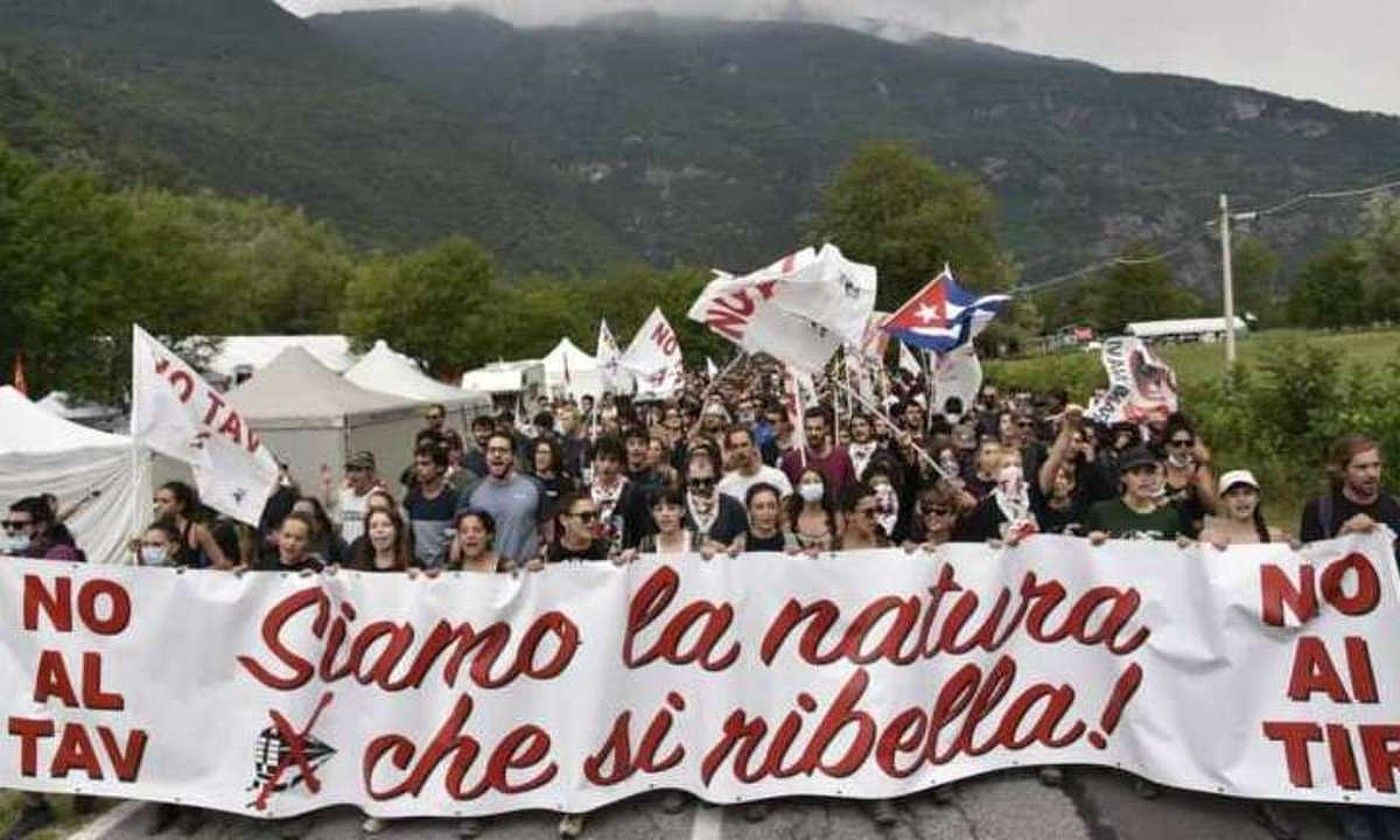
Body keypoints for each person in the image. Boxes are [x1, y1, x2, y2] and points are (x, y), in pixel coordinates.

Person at [456, 432, 546, 568]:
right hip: (485, 577)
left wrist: (540, 558)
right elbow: (458, 539)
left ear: (513, 456)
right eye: (492, 450)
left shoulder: (534, 487)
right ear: (486, 456)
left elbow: (549, 534)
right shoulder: (471, 492)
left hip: (526, 575)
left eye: (503, 450)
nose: (497, 455)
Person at [1299, 435, 1400, 545]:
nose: (1372, 474)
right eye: (1362, 467)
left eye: (1376, 465)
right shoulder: (1320, 511)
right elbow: (1310, 558)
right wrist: (1344, 535)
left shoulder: (1395, 507)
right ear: (1343, 471)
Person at [1085, 447, 1185, 543]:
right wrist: (1090, 541)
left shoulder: (1169, 517)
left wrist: (1185, 546)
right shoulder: (1102, 512)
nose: (1144, 479)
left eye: (1149, 472)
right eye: (1136, 473)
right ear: (1123, 477)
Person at [781, 409, 857, 501]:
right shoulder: (791, 460)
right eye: (809, 429)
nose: (813, 433)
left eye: (818, 429)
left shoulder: (842, 457)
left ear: (827, 429)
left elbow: (851, 491)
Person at [1159, 415, 1217, 537]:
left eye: (1188, 443)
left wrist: (1198, 485)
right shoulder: (1158, 469)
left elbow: (1212, 509)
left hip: (1192, 537)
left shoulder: (1199, 470)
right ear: (1167, 446)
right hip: (1163, 535)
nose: (1183, 448)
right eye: (1177, 444)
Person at [404, 444, 459, 569]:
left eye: (425, 464)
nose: (419, 468)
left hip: (446, 571)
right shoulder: (411, 499)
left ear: (440, 467)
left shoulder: (453, 499)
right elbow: (406, 538)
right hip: (418, 570)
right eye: (417, 464)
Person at [1200, 470, 1289, 547]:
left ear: (1257, 498)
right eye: (1233, 494)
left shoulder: (1275, 537)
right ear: (1224, 501)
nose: (1241, 499)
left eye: (1247, 493)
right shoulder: (1211, 536)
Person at [153, 481, 229, 569]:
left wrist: (195, 574)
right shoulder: (153, 529)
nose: (158, 505)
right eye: (156, 501)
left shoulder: (196, 530)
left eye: (165, 501)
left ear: (181, 505)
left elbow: (221, 563)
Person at [682, 450, 747, 549]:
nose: (701, 487)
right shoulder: (679, 506)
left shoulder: (732, 505)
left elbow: (741, 542)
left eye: (707, 482)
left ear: (715, 477)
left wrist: (726, 549)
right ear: (687, 478)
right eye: (695, 482)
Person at [718, 425, 793, 502]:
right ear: (730, 451)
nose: (740, 451)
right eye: (735, 447)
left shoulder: (777, 477)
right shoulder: (725, 486)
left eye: (744, 445)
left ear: (754, 446)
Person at [4, 497, 83, 561]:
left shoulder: (60, 555)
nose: (9, 531)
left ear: (41, 527)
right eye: (6, 525)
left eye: (18, 525)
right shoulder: (18, 554)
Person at [530, 436, 577, 538]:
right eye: (538, 452)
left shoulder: (565, 483)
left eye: (545, 453)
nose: (540, 457)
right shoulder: (527, 482)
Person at [547, 493, 612, 565]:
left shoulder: (607, 550)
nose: (592, 521)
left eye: (595, 515)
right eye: (585, 516)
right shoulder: (548, 553)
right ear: (564, 520)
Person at [788, 466, 842, 551]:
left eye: (816, 481)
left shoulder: (836, 518)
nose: (812, 485)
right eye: (806, 482)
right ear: (798, 488)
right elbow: (789, 546)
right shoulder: (790, 520)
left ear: (824, 487)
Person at [251, 512, 323, 573]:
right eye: (287, 536)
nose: (291, 543)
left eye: (299, 539)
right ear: (279, 536)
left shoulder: (316, 570)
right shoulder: (264, 565)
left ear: (308, 542)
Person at [633, 488, 699, 555]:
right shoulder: (647, 544)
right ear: (653, 514)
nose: (665, 514)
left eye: (671, 508)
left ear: (682, 511)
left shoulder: (698, 541)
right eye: (659, 509)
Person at [348, 507, 414, 573]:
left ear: (397, 530)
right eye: (373, 526)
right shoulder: (356, 568)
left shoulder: (412, 565)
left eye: (386, 525)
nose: (379, 530)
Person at [290, 496, 347, 567]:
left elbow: (348, 564)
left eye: (305, 518)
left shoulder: (334, 541)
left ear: (319, 521)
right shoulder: (286, 540)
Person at [838, 483, 891, 550]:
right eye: (869, 512)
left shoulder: (887, 547)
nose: (875, 517)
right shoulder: (830, 548)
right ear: (849, 515)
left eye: (878, 510)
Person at [451, 509, 502, 574]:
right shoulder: (451, 570)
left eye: (477, 531)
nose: (470, 535)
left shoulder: (506, 568)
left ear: (489, 535)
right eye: (464, 531)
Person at [845, 413, 880, 481]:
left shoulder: (881, 452)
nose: (858, 429)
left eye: (862, 425)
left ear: (871, 428)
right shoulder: (845, 452)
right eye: (854, 426)